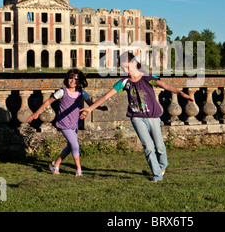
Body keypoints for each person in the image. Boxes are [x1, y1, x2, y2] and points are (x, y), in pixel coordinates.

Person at [79, 52, 194, 182]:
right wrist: (89, 108)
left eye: (127, 66)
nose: (126, 71)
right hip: (137, 117)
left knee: (159, 146)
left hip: (152, 116)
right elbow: (106, 96)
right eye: (123, 68)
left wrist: (180, 93)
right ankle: (157, 175)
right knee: (148, 147)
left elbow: (165, 85)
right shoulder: (124, 82)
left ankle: (162, 166)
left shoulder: (147, 77)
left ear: (134, 63)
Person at [27, 69, 101, 176]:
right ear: (67, 79)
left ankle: (55, 164)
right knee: (75, 146)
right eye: (70, 77)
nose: (72, 80)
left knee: (70, 147)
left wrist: (101, 107)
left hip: (74, 124)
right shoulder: (62, 91)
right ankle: (79, 170)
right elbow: (48, 101)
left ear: (79, 81)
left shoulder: (81, 93)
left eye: (76, 78)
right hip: (64, 123)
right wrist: (37, 113)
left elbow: (91, 103)